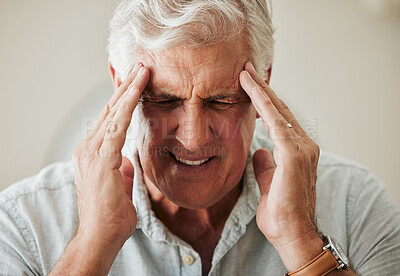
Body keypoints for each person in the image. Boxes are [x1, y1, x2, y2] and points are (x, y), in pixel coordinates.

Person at [1, 0, 399, 275]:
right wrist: (90, 249)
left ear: (265, 85)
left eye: (222, 101)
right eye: (164, 100)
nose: (192, 138)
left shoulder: (355, 203)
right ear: (120, 85)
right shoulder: (22, 222)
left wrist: (303, 244)